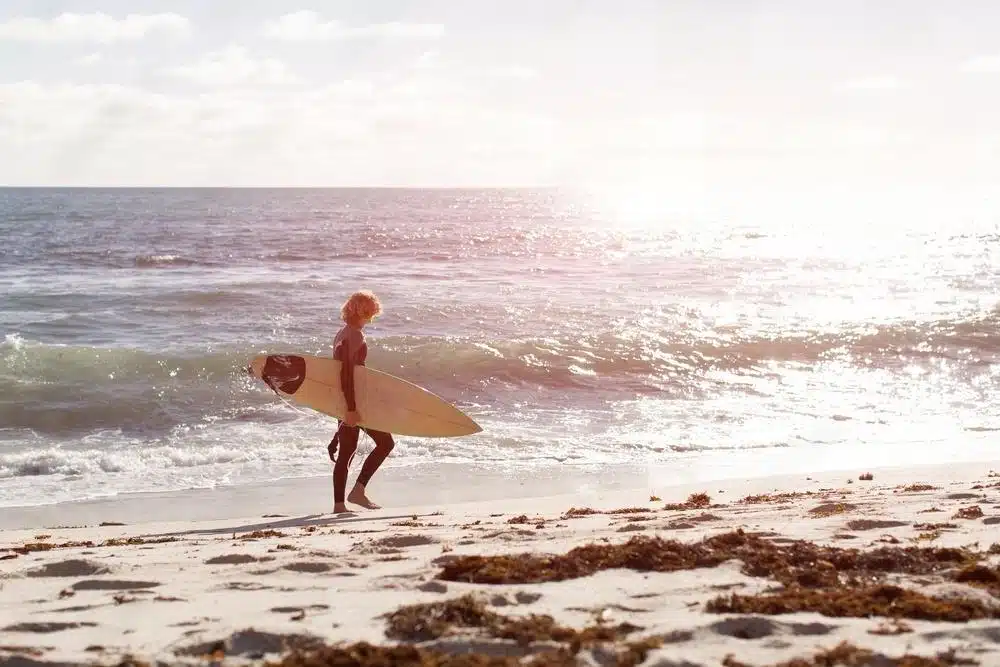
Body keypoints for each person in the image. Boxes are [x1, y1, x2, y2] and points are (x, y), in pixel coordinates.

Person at [327, 290, 395, 513]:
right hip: (354, 401)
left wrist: (341, 419)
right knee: (386, 443)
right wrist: (352, 409)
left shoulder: (341, 334)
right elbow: (346, 373)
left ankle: (340, 504)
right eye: (371, 313)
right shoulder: (355, 336)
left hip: (345, 400)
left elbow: (342, 374)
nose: (371, 318)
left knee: (347, 451)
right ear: (366, 312)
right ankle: (357, 491)